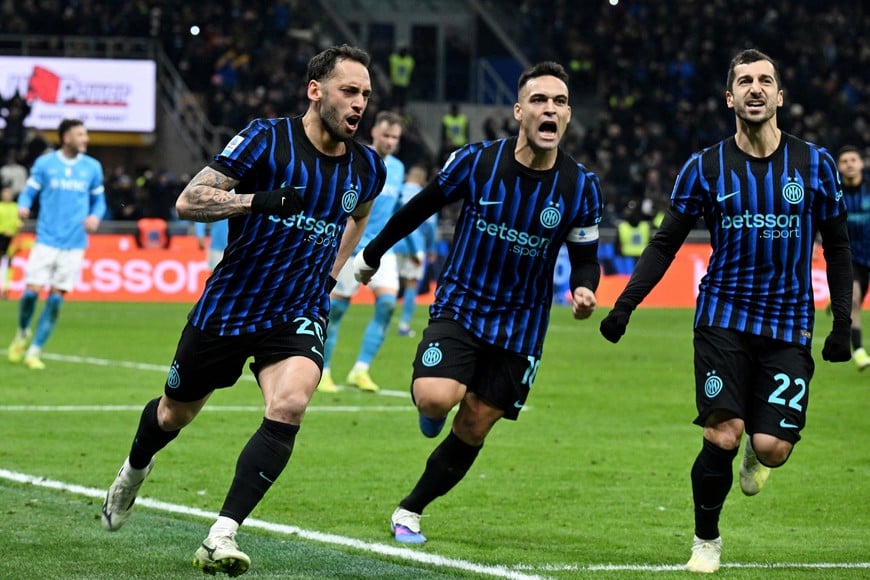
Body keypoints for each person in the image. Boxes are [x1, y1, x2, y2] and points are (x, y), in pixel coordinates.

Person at [99, 44, 386, 577]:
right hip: (232, 305)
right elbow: (189, 200)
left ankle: (222, 533)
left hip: (298, 308)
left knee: (292, 404)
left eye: (365, 94)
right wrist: (256, 200)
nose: (359, 103)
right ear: (315, 90)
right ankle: (134, 470)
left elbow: (359, 217)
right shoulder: (266, 139)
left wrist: (330, 275)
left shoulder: (368, 167)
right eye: (349, 90)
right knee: (174, 413)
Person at [598, 49, 853, 573]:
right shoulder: (704, 167)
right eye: (744, 81)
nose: (755, 88)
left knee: (772, 447)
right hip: (722, 317)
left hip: (788, 323)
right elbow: (665, 244)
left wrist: (842, 322)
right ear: (729, 98)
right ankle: (706, 539)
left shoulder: (815, 164)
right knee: (722, 432)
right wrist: (625, 305)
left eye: (765, 81)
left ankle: (761, 452)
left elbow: (839, 245)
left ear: (780, 96)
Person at [353, 61, 603, 544]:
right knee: (436, 397)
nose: (549, 109)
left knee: (475, 423)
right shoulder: (477, 161)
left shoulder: (580, 186)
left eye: (559, 102)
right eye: (538, 100)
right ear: (519, 111)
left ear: (568, 116)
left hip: (522, 325)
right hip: (463, 304)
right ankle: (431, 409)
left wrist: (584, 288)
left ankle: (410, 510)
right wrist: (373, 252)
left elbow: (585, 258)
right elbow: (421, 207)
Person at [7, 119, 105, 369]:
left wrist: (95, 216)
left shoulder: (92, 167)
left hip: (75, 243)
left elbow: (99, 202)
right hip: (46, 239)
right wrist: (23, 206)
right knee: (31, 293)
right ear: (66, 138)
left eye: (85, 134)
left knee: (56, 299)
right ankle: (22, 332)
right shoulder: (45, 164)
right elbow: (29, 192)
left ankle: (34, 351)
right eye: (80, 134)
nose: (85, 139)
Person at [318, 110, 405, 393]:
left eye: (395, 137)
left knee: (387, 305)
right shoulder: (357, 159)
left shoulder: (399, 168)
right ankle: (324, 371)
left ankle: (361, 370)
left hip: (381, 248)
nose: (390, 141)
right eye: (386, 135)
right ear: (375, 132)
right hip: (352, 245)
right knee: (336, 310)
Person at [836, 145, 870, 370]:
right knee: (854, 301)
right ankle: (858, 351)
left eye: (853, 160)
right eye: (844, 161)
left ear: (861, 164)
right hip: (849, 257)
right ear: (839, 167)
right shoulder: (834, 193)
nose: (849, 164)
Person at [394, 164, 437, 337]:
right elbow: (431, 225)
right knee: (411, 284)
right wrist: (431, 247)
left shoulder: (398, 190)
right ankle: (404, 325)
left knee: (390, 284)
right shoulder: (426, 194)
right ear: (421, 179)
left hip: (393, 244)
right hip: (416, 247)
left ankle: (382, 320)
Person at [0, 182, 23, 299]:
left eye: (8, 194)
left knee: (8, 264)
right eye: (5, 194)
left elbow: (18, 222)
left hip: (11, 238)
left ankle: (5, 289)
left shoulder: (15, 207)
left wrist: (17, 226)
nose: (7, 196)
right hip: (1, 237)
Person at [389, 46, 415, 110]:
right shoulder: (408, 61)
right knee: (395, 99)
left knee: (401, 100)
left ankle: (400, 109)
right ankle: (396, 108)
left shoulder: (409, 61)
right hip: (397, 82)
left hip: (403, 83)